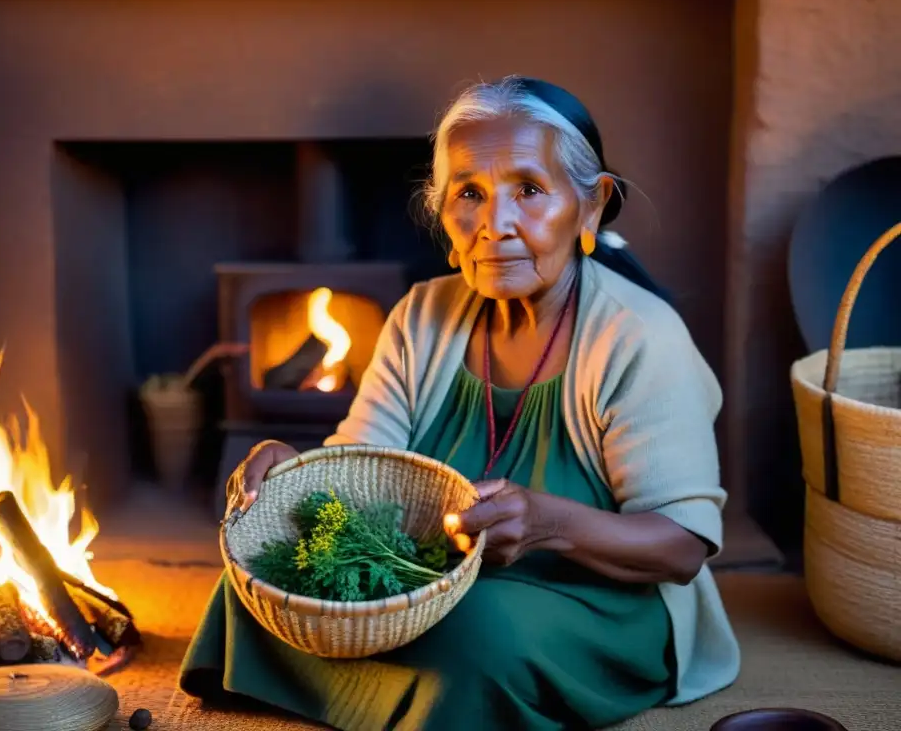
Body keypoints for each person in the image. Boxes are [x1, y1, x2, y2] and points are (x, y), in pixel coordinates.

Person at [180, 76, 740, 730]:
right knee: (253, 589)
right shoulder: (422, 316)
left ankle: (407, 692)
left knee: (478, 635)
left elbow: (680, 550)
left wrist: (547, 524)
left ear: (590, 208)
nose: (494, 225)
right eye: (469, 194)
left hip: (599, 601)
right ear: (444, 216)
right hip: (434, 576)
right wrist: (294, 474)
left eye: (528, 190)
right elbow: (364, 466)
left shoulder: (639, 336)